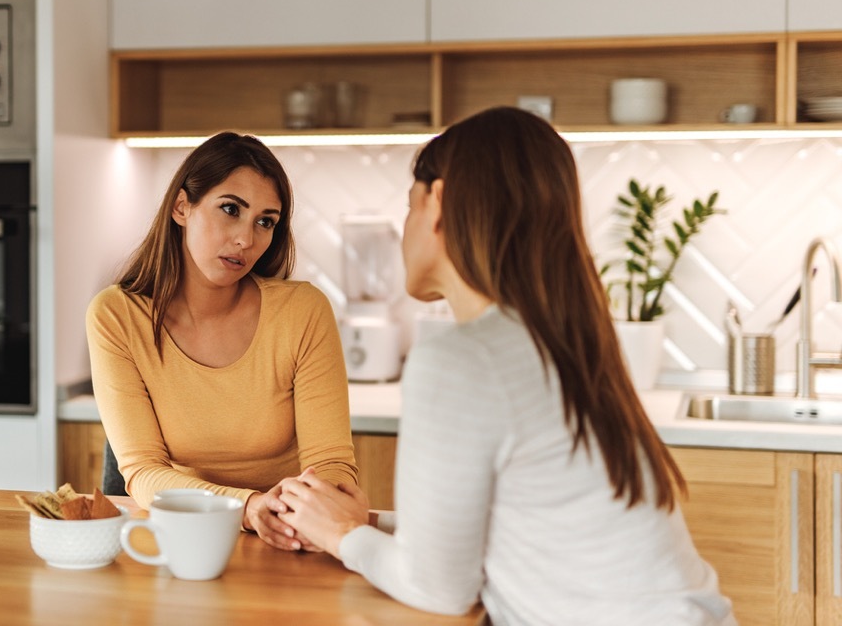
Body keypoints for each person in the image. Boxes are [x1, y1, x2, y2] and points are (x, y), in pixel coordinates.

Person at [275, 107, 736, 625]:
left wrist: (342, 536)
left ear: (439, 202)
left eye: (409, 205)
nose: (405, 227)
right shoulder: (561, 340)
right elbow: (512, 524)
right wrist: (368, 523)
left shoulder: (462, 358)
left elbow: (439, 588)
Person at [86, 131, 358, 551]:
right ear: (182, 207)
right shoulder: (117, 316)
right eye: (230, 209)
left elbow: (331, 464)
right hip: (180, 538)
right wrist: (248, 508)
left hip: (288, 539)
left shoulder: (302, 311)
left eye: (265, 222)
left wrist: (310, 511)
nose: (246, 240)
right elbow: (142, 472)